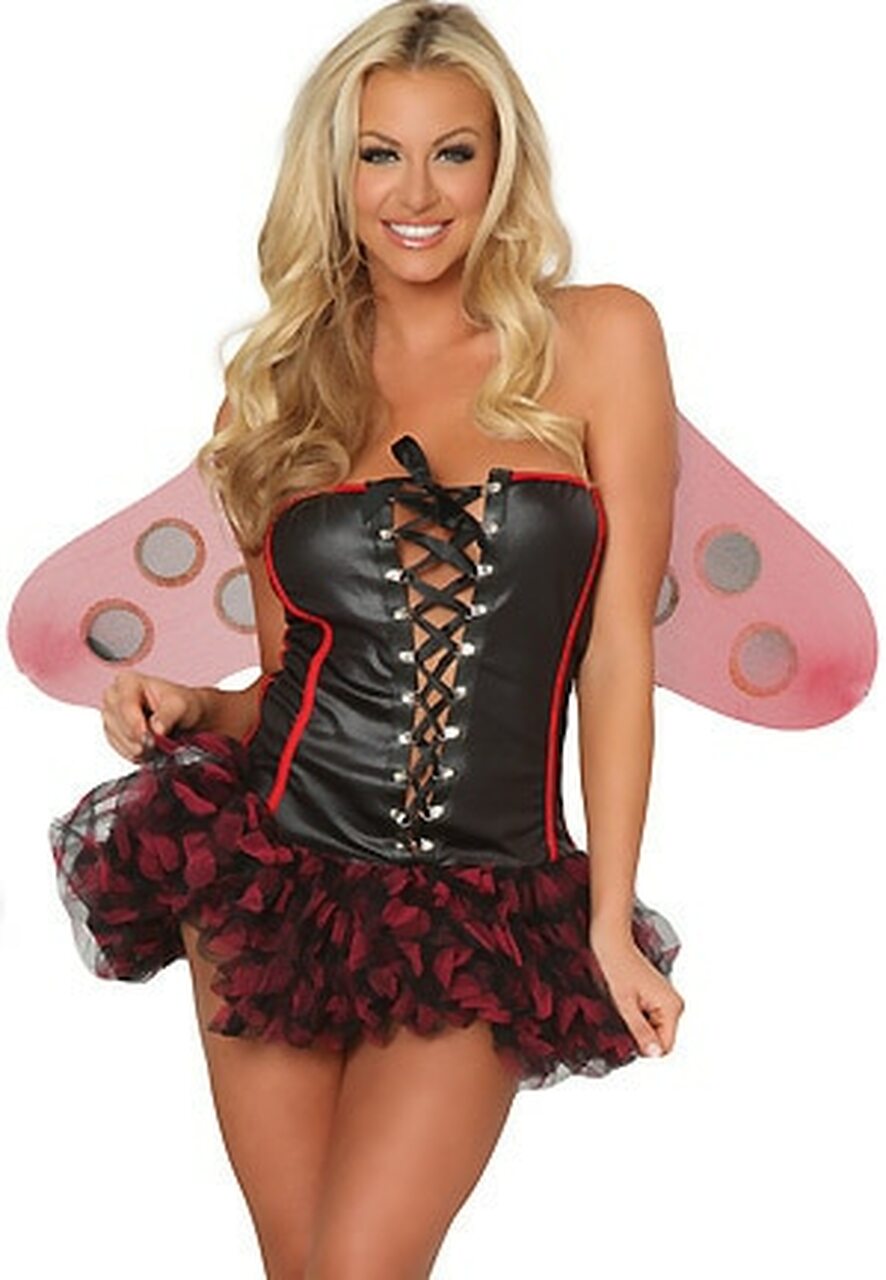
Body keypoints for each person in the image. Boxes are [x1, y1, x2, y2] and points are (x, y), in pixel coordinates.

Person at [49, 2, 685, 1275]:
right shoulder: (278, 390)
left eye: (454, 151)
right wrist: (197, 705)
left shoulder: (600, 338)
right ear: (330, 173)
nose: (416, 193)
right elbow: (295, 678)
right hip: (271, 870)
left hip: (482, 887)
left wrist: (609, 918)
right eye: (377, 153)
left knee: (360, 1263)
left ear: (501, 164)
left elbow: (616, 653)